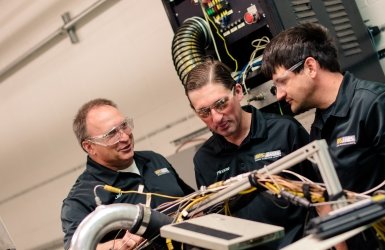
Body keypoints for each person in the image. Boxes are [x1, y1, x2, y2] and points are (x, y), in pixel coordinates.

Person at [261, 23, 385, 249]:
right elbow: (329, 207)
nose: (280, 95)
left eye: (282, 82)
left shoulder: (377, 105)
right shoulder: (319, 128)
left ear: (310, 67)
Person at [184, 59, 320, 249]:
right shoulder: (204, 160)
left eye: (221, 103)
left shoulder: (284, 131)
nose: (216, 117)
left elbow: (322, 196)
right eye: (204, 112)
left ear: (238, 92)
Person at [61, 98, 195, 250]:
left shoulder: (153, 159)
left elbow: (190, 200)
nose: (124, 137)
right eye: (112, 134)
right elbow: (76, 247)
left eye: (124, 126)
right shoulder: (81, 198)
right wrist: (116, 245)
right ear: (90, 147)